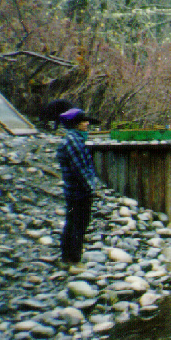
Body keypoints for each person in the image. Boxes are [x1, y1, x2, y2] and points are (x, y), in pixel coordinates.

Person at [55, 108, 101, 268]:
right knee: (79, 224)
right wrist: (92, 189)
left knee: (72, 223)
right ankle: (74, 259)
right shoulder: (74, 142)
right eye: (83, 121)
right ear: (75, 124)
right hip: (78, 192)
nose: (87, 123)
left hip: (73, 191)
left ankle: (67, 257)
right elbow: (81, 169)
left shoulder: (72, 139)